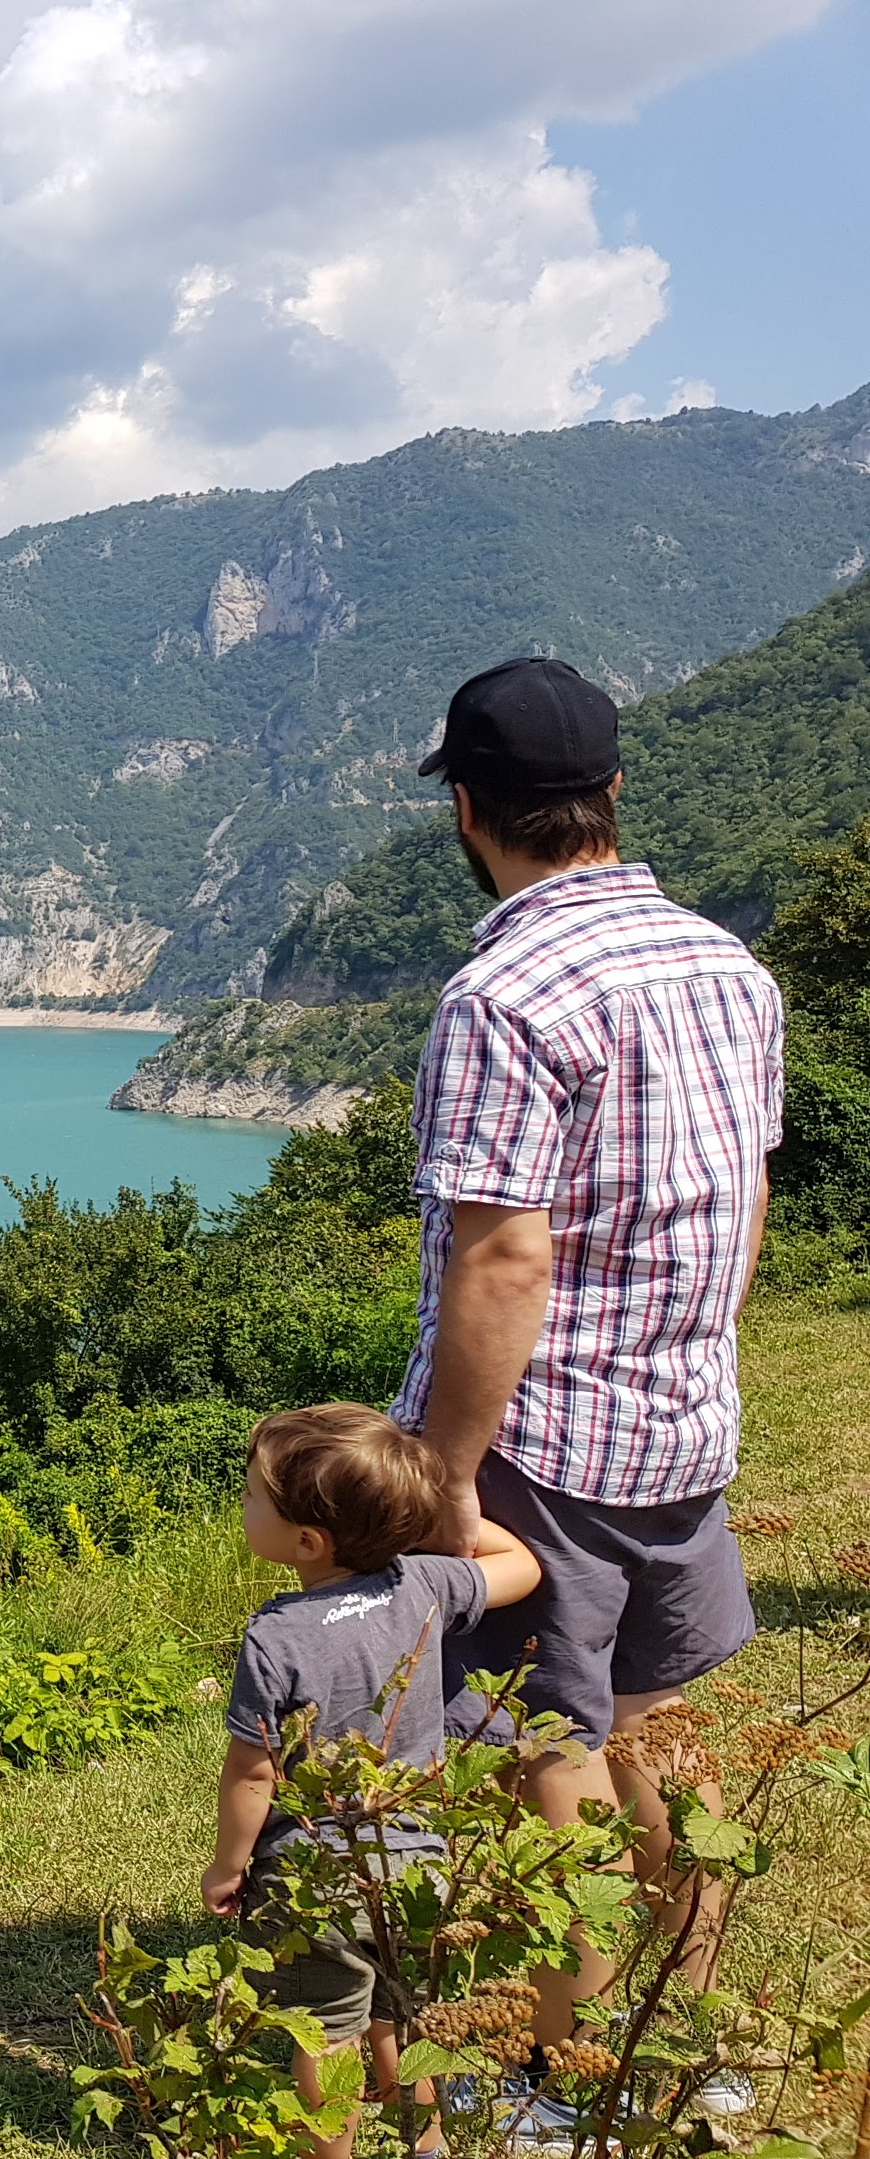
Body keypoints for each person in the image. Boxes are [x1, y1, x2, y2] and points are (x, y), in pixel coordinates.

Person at [393, 655, 784, 2125]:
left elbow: (503, 1257)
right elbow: (745, 1196)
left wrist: (446, 1474)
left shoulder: (503, 994)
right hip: (682, 1422)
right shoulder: (727, 965)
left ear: (468, 808)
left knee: (541, 1750)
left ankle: (563, 2077)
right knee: (664, 1729)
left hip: (543, 1444)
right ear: (613, 790)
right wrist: (694, 1354)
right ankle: (699, 2041)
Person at [207, 1403, 544, 2159]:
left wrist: (228, 1867)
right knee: (407, 2016)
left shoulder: (276, 1637)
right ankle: (429, 2145)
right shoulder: (422, 1584)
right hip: (420, 1862)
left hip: (317, 1875)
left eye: (253, 1495)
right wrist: (433, 1517)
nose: (243, 1503)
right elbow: (522, 1564)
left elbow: (253, 1770)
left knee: (326, 2033)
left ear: (308, 1542)